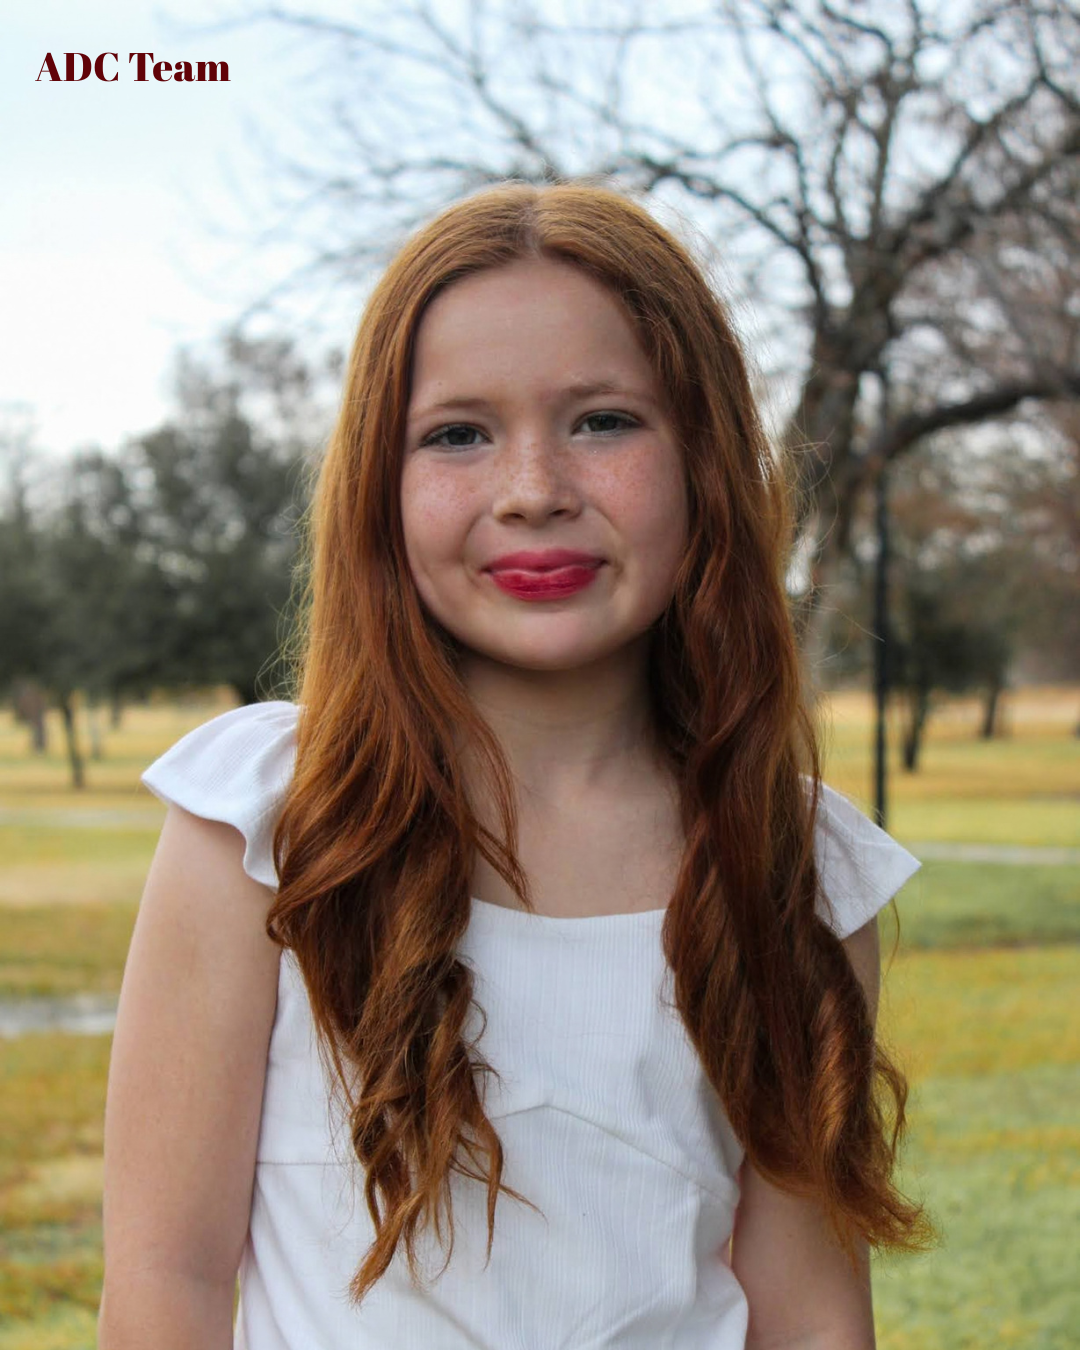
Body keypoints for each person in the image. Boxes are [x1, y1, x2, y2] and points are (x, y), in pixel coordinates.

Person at [98, 181, 929, 1350]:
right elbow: (165, 1278)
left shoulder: (797, 866)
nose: (534, 490)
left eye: (604, 421)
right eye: (457, 435)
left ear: (705, 461)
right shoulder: (268, 823)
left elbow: (813, 1317)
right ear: (377, 485)